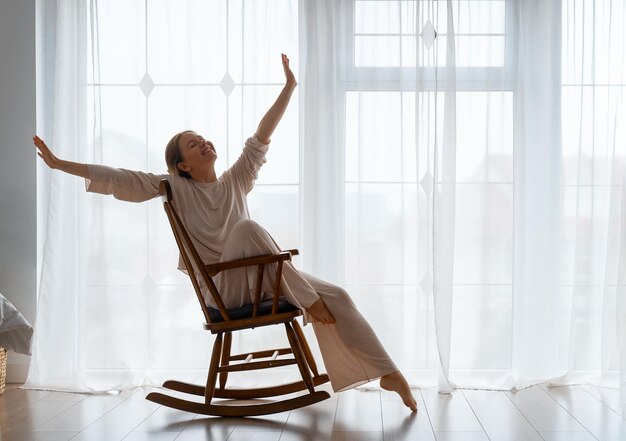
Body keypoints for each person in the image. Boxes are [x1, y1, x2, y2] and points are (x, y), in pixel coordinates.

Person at [33, 54, 417, 412]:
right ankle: (309, 303)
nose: (204, 143)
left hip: (260, 278)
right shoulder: (174, 187)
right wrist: (58, 164)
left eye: (203, 138)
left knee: (339, 295)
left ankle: (388, 372)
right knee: (249, 229)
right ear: (182, 165)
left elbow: (261, 136)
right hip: (225, 290)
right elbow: (117, 176)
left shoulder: (236, 180)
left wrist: (289, 87)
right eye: (193, 143)